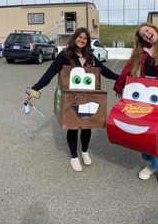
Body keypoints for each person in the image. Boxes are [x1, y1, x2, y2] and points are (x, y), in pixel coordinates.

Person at [26, 27, 118, 172]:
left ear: (87, 41)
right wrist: (35, 88)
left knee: (87, 125)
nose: (82, 40)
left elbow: (105, 71)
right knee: (73, 126)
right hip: (71, 98)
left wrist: (121, 78)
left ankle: (85, 152)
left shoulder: (90, 57)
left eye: (85, 38)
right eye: (79, 37)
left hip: (88, 96)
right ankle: (74, 157)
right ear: (75, 38)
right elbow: (49, 73)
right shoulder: (65, 55)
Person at [113, 22, 158, 189]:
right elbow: (128, 68)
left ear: (154, 29)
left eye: (147, 30)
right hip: (143, 95)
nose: (146, 34)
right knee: (145, 130)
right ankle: (152, 165)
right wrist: (119, 86)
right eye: (142, 34)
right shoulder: (140, 51)